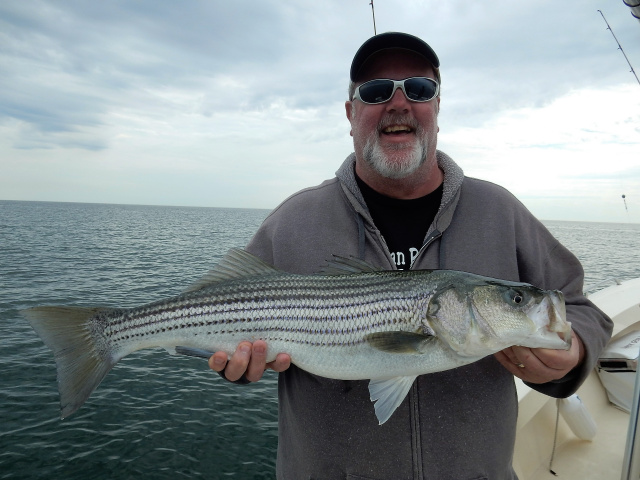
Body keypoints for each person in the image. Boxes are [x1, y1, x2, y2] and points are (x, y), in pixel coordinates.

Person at [208, 32, 613, 479]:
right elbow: (228, 309)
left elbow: (578, 307)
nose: (398, 103)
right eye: (376, 91)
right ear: (351, 114)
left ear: (437, 108)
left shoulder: (500, 211)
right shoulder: (293, 220)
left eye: (419, 89)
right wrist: (238, 365)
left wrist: (573, 352)